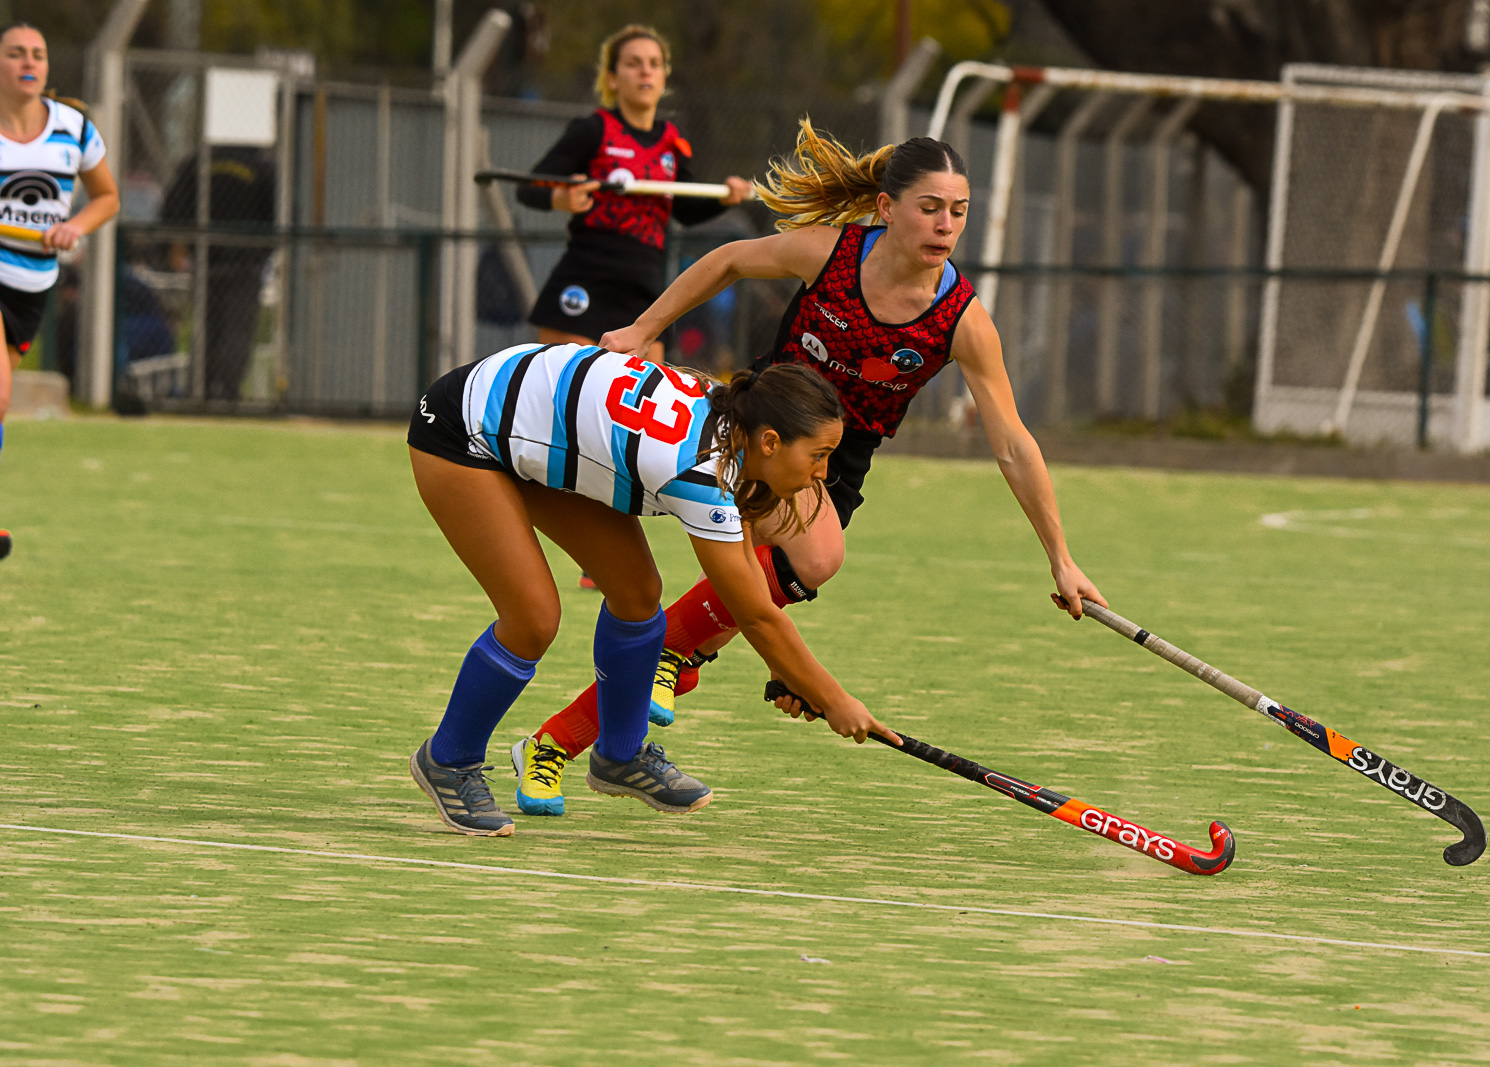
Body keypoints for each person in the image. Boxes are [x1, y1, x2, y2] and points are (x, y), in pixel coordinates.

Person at [509, 121, 1107, 817]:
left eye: (959, 211)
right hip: (761, 426)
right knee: (804, 563)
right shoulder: (832, 253)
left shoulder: (960, 319)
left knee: (756, 590)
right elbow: (729, 259)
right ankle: (643, 693)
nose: (946, 225)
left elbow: (1013, 442)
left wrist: (1060, 557)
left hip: (835, 463)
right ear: (886, 208)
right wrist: (644, 328)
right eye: (930, 207)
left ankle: (571, 741)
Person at [406, 341, 898, 834]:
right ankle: (449, 759)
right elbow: (754, 613)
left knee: (638, 593)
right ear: (769, 442)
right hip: (463, 430)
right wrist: (835, 701)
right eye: (819, 455)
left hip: (534, 426)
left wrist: (790, 673)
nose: (824, 474)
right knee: (533, 618)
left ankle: (619, 755)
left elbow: (748, 572)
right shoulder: (701, 472)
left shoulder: (735, 424)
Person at [516, 24, 751, 589]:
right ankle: (538, 534)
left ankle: (605, 558)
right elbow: (532, 186)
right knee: (564, 411)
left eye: (654, 63)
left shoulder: (672, 143)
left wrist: (726, 195)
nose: (645, 72)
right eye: (633, 63)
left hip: (645, 296)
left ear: (664, 76)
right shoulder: (592, 129)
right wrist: (562, 194)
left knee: (629, 424)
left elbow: (687, 209)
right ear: (613, 77)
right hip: (584, 283)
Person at [0, 22, 119, 457]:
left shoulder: (74, 127)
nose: (29, 61)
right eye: (15, 53)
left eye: (38, 53)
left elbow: (107, 197)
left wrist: (76, 227)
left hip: (32, 288)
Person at [159, 144, 275, 402]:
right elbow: (278, 213)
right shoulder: (262, 167)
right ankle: (227, 391)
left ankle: (199, 388)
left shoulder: (198, 163)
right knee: (237, 330)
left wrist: (177, 245)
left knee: (205, 328)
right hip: (244, 262)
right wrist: (263, 252)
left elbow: (173, 206)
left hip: (206, 259)